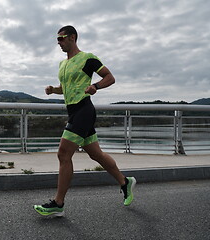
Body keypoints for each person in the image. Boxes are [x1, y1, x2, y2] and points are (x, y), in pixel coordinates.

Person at [34, 25, 136, 217]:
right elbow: (66, 87)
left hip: (84, 109)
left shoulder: (87, 58)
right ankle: (125, 182)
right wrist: (53, 90)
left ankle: (58, 203)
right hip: (73, 112)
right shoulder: (62, 64)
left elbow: (110, 77)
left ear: (72, 37)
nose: (59, 42)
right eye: (57, 39)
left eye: (61, 38)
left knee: (63, 154)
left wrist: (95, 86)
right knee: (96, 154)